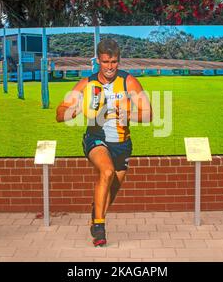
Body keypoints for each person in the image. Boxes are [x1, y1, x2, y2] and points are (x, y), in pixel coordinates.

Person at [56, 39, 152, 247]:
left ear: (119, 61)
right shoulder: (87, 84)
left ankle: (95, 212)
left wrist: (127, 114)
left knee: (112, 188)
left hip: (122, 144)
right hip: (95, 139)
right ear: (98, 60)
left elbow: (148, 114)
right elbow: (60, 114)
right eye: (106, 61)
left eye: (114, 62)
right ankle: (99, 227)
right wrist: (78, 109)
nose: (110, 67)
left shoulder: (129, 82)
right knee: (106, 172)